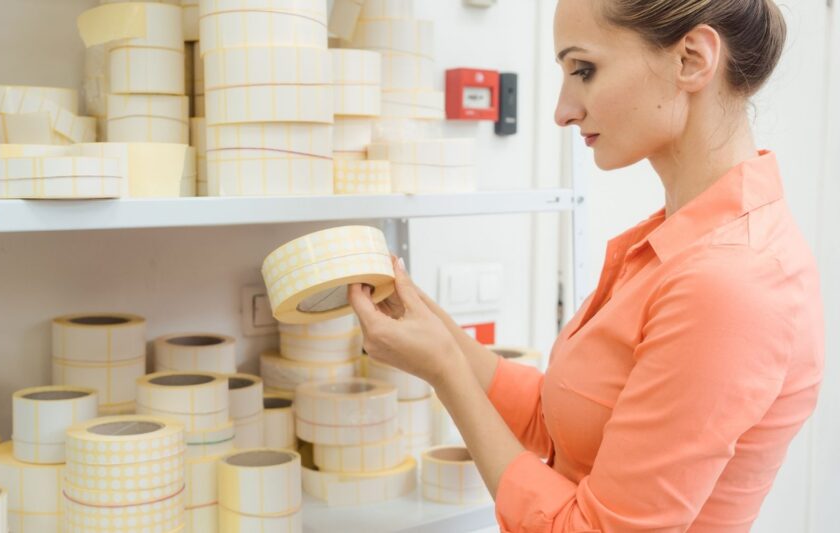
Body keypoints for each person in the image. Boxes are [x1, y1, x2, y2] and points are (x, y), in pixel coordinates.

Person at [348, 0, 824, 531]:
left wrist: (446, 372)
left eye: (584, 71)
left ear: (691, 60)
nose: (563, 110)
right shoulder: (677, 240)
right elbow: (559, 421)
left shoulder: (730, 282)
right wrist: (430, 325)